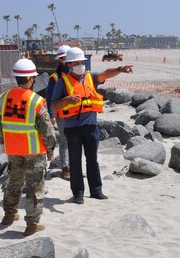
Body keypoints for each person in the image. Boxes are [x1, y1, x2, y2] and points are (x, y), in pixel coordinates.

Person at [51, 47, 133, 203]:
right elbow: (54, 106)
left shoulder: (90, 77)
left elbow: (105, 74)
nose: (81, 65)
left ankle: (96, 191)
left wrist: (120, 69)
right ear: (69, 65)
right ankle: (78, 194)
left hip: (91, 127)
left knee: (92, 160)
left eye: (82, 62)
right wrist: (66, 100)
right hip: (72, 128)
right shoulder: (62, 82)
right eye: (76, 63)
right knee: (75, 162)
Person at [0, 59, 57, 236]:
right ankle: (31, 224)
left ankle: (9, 215)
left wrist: (3, 144)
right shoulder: (36, 101)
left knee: (13, 183)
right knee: (34, 187)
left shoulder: (3, 98)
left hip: (13, 150)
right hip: (34, 151)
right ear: (31, 78)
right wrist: (51, 149)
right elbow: (47, 130)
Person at [46, 45, 70, 180]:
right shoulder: (55, 77)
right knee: (65, 141)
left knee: (76, 141)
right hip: (62, 114)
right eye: (62, 58)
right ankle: (65, 168)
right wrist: (51, 114)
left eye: (66, 57)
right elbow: (49, 97)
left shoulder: (77, 73)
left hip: (77, 113)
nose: (64, 60)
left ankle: (74, 167)